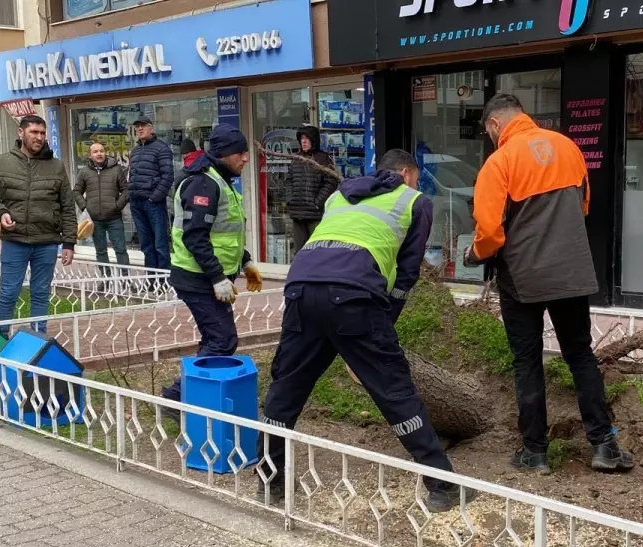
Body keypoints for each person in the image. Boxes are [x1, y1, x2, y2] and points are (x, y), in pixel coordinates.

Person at [260, 149, 470, 513]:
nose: (416, 184)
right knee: (395, 391)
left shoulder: (340, 194)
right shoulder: (414, 201)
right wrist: (383, 328)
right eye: (416, 178)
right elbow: (406, 274)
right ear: (407, 173)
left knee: (285, 388)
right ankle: (443, 486)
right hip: (354, 297)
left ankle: (270, 482)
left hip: (300, 288)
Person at [464, 94, 632, 474]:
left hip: (522, 278)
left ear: (494, 125)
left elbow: (490, 232)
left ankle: (535, 452)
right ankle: (604, 445)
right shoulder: (569, 147)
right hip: (571, 271)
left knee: (527, 362)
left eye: (487, 131)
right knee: (580, 356)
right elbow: (584, 207)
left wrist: (474, 255)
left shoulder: (499, 161)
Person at [159, 125, 263, 403]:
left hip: (206, 278)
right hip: (197, 279)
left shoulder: (219, 179)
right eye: (241, 153)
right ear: (226, 154)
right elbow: (196, 237)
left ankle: (195, 396)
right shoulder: (203, 183)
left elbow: (224, 233)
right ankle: (176, 398)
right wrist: (218, 278)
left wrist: (246, 261)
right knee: (223, 340)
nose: (245, 159)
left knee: (214, 338)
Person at [0, 115, 77, 333]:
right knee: (8, 293)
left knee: (41, 293)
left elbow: (67, 206)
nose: (39, 137)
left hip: (47, 241)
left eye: (42, 133)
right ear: (21, 133)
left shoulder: (56, 166)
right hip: (15, 239)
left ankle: (36, 340)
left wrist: (69, 242)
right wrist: (1, 212)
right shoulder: (2, 162)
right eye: (34, 132)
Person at [73, 141, 129, 275]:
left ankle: (125, 280)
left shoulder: (116, 169)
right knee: (101, 251)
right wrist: (86, 207)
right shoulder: (85, 172)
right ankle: (106, 278)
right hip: (95, 220)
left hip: (114, 218)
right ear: (90, 155)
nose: (99, 154)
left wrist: (117, 206)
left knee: (120, 249)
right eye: (95, 152)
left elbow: (126, 190)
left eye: (101, 151)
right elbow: (76, 191)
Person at [128, 118, 174, 270]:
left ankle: (164, 280)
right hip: (136, 203)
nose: (139, 129)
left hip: (153, 203)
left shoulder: (161, 148)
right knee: (146, 244)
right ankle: (151, 280)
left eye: (143, 126)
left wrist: (154, 198)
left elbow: (167, 176)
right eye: (137, 127)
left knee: (160, 244)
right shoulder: (134, 152)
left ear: (151, 128)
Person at [286, 124, 339, 253]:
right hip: (297, 213)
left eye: (307, 138)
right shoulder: (296, 159)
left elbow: (331, 182)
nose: (303, 141)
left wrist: (318, 203)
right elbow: (288, 181)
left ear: (313, 140)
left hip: (315, 214)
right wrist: (290, 200)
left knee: (317, 250)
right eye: (301, 138)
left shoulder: (323, 159)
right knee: (300, 252)